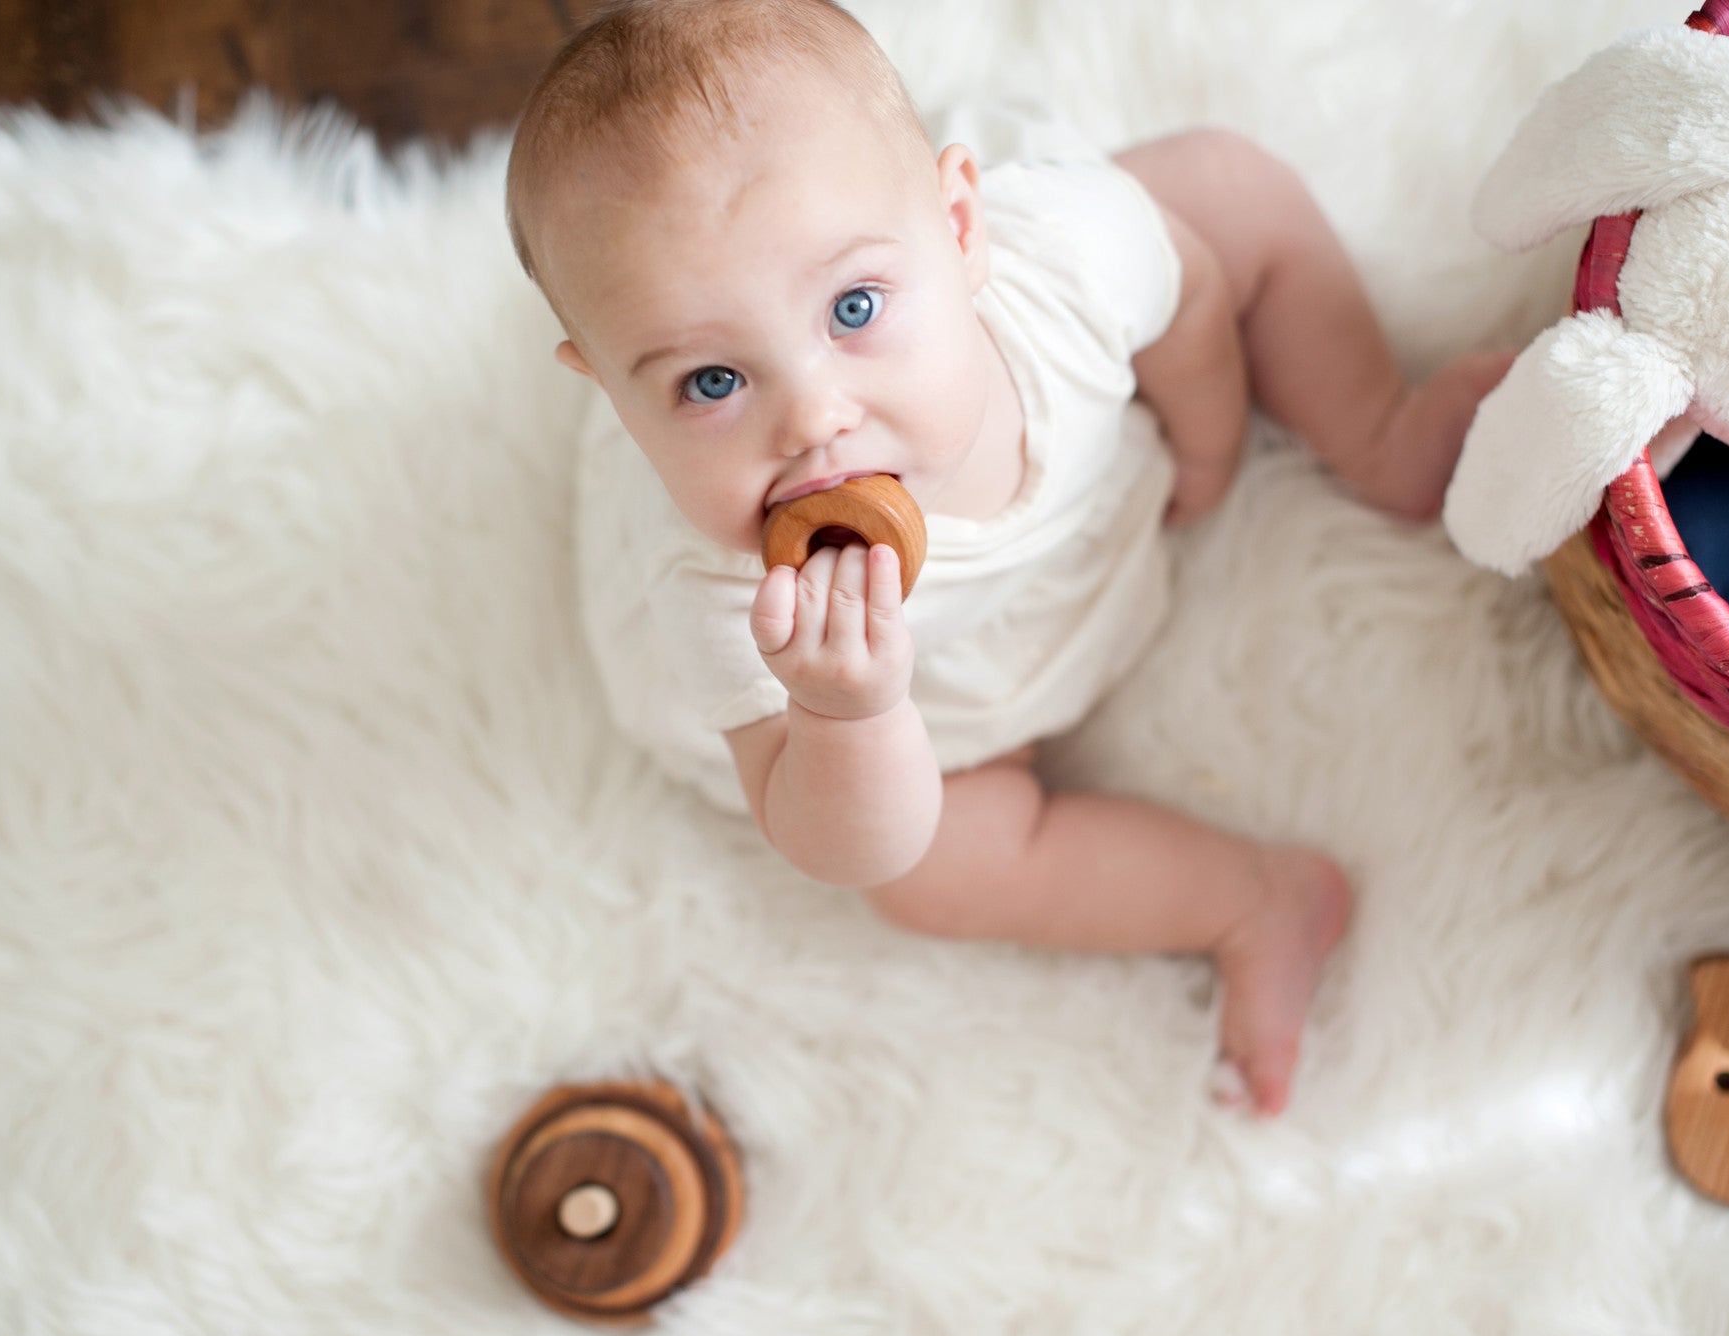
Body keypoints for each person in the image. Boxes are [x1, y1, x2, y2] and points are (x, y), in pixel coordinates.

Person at [505, 0, 1510, 1115]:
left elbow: (1190, 304)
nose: (813, 417)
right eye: (710, 383)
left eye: (852, 308)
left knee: (1228, 188)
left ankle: (1375, 433)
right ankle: (1252, 901)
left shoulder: (1062, 260)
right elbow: (837, 844)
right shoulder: (722, 596)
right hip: (948, 715)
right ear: (604, 384)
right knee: (925, 877)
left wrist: (1205, 447)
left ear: (960, 228)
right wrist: (848, 713)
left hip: (1105, 478)